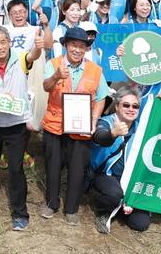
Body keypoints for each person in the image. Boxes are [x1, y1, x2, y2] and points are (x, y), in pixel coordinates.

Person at [0, 25, 43, 231]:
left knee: (14, 168)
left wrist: (38, 47)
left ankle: (20, 213)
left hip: (16, 123)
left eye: (3, 42)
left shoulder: (20, 58)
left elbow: (33, 56)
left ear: (9, 42)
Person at [41, 27, 109, 226]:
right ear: (65, 45)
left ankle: (72, 209)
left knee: (78, 169)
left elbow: (101, 96)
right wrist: (55, 76)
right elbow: (45, 86)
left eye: (82, 46)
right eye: (73, 45)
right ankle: (51, 204)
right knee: (52, 167)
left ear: (87, 49)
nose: (78, 50)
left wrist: (95, 120)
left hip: (81, 127)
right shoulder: (53, 64)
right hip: (54, 125)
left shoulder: (95, 70)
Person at [90, 86, 149, 234]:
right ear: (117, 106)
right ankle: (103, 211)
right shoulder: (106, 122)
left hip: (131, 178)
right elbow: (99, 137)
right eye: (126, 105)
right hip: (106, 175)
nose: (131, 109)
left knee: (140, 224)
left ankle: (123, 205)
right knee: (113, 194)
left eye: (135, 106)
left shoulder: (142, 129)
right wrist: (113, 134)